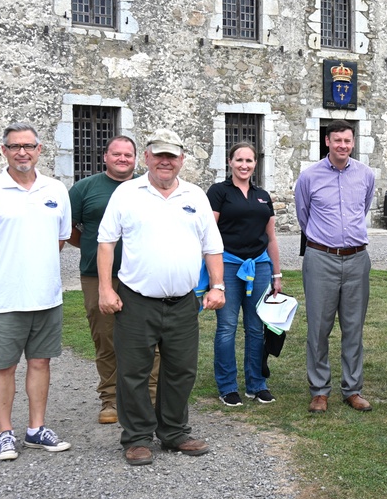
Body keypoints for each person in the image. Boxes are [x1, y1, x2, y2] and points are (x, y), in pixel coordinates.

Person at [97, 128, 225, 466]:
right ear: (147, 158)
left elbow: (212, 247)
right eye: (159, 155)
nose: (165, 162)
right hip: (137, 300)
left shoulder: (195, 196)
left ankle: (173, 431)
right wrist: (105, 288)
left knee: (181, 369)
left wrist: (218, 286)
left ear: (182, 160)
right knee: (134, 371)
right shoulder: (127, 194)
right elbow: (106, 242)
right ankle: (137, 438)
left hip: (183, 302)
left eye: (172, 156)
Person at [0, 123, 73, 461]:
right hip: (4, 298)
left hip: (46, 296)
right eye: (14, 147)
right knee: (5, 366)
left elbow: (60, 239)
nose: (21, 152)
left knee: (40, 362)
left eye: (28, 146)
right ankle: (4, 432)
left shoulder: (55, 190)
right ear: (3, 151)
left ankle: (36, 429)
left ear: (40, 150)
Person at [68, 135, 159, 425]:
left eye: (128, 155)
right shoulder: (85, 189)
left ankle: (151, 397)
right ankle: (111, 399)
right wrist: (94, 248)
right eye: (116, 154)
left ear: (137, 158)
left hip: (143, 275)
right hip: (97, 276)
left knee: (149, 340)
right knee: (105, 338)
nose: (122, 159)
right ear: (105, 157)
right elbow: (68, 229)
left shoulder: (150, 187)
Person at [295, 120, 376, 414]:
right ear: (327, 141)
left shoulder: (366, 175)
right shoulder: (309, 177)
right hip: (321, 258)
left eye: (348, 140)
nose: (343, 145)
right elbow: (304, 217)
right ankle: (319, 390)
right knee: (319, 327)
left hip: (357, 258)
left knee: (353, 327)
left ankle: (352, 389)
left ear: (353, 143)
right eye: (338, 140)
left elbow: (364, 208)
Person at [207, 141, 282, 407]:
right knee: (227, 328)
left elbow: (271, 237)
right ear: (230, 162)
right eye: (239, 160)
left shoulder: (263, 195)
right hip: (227, 265)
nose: (244, 165)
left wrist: (276, 274)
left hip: (259, 266)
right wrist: (211, 274)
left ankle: (256, 384)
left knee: (256, 328)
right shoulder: (218, 192)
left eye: (249, 161)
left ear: (255, 164)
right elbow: (209, 233)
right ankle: (227, 386)